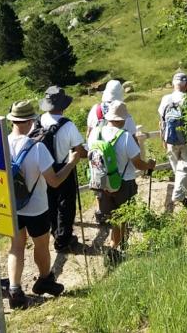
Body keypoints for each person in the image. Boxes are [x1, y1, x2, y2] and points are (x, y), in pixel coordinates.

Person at [4, 100, 77, 309]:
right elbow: (54, 181)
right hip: (36, 207)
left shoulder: (2, 145)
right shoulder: (38, 148)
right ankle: (45, 279)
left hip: (12, 206)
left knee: (16, 246)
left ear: (13, 121)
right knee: (41, 245)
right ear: (30, 121)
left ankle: (15, 290)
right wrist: (71, 163)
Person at [89, 101, 156, 256]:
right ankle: (115, 250)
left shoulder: (96, 133)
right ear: (123, 119)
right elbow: (137, 163)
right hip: (123, 183)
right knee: (123, 217)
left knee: (114, 218)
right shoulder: (125, 136)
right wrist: (149, 166)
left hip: (101, 183)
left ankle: (119, 246)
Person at [37, 86, 87, 252]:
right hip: (64, 167)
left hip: (43, 169)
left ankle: (55, 233)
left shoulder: (39, 121)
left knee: (49, 203)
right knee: (65, 205)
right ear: (63, 106)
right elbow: (80, 151)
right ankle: (63, 240)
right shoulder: (68, 125)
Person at [86, 80, 138, 225]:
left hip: (98, 156)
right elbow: (133, 139)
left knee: (100, 182)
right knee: (120, 198)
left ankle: (101, 212)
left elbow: (88, 133)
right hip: (120, 163)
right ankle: (120, 229)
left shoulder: (95, 110)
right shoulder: (122, 112)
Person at [159, 73, 187, 205]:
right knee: (185, 166)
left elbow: (162, 120)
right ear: (186, 84)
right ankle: (179, 195)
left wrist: (162, 138)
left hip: (169, 137)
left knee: (176, 165)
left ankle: (180, 186)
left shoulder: (165, 99)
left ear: (174, 84)